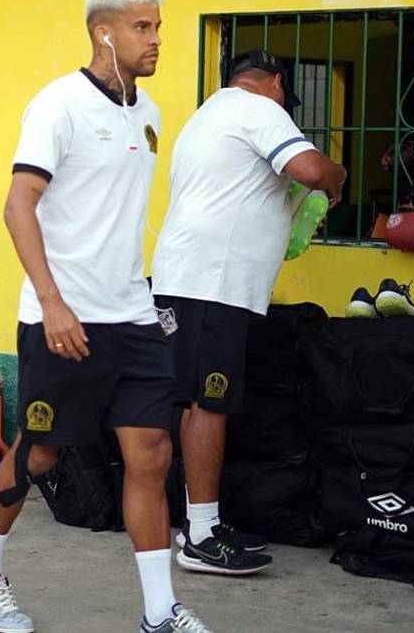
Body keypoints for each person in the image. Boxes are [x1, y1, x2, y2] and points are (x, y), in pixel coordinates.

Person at [0, 0, 212, 633]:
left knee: (151, 451)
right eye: (142, 27)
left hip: (131, 315)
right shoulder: (59, 106)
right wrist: (53, 302)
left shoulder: (148, 113)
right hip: (61, 320)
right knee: (39, 452)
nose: (156, 39)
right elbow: (19, 205)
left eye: (157, 26)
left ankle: (160, 612)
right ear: (105, 32)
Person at [151, 49, 346, 575]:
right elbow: (307, 167)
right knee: (209, 403)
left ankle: (197, 521)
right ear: (276, 83)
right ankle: (201, 536)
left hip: (185, 280)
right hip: (213, 285)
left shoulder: (206, 115)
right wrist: (337, 174)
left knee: (193, 401)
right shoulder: (259, 110)